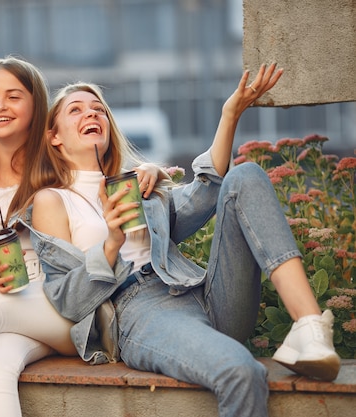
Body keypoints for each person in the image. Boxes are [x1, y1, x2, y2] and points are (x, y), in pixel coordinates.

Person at [26, 64, 341, 417]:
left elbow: (206, 195)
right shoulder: (54, 200)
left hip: (203, 292)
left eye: (98, 108)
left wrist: (230, 114)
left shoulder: (138, 187)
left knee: (246, 175)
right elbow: (66, 299)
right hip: (139, 307)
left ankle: (310, 327)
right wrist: (111, 243)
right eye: (77, 109)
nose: (92, 113)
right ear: (55, 136)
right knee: (241, 371)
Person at [0, 56, 164, 417]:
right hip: (17, 307)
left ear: (38, 108)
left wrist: (150, 169)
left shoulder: (56, 170)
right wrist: (0, 279)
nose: (0, 106)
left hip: (72, 304)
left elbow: (105, 170)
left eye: (13, 96)